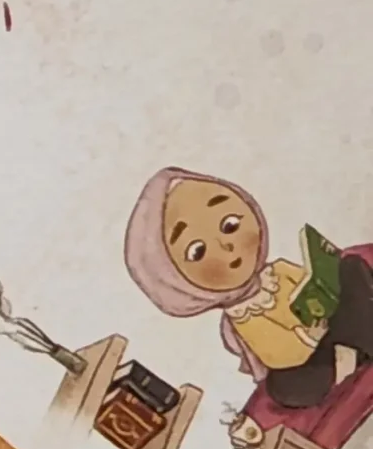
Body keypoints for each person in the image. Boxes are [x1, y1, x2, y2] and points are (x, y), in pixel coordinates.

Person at [122, 167, 373, 412]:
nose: (226, 246)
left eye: (230, 225)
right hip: (312, 353)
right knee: (285, 386)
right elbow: (280, 354)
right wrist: (311, 337)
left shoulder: (276, 270)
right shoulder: (244, 316)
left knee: (349, 266)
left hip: (333, 324)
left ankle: (354, 344)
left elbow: (310, 284)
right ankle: (351, 350)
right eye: (197, 251)